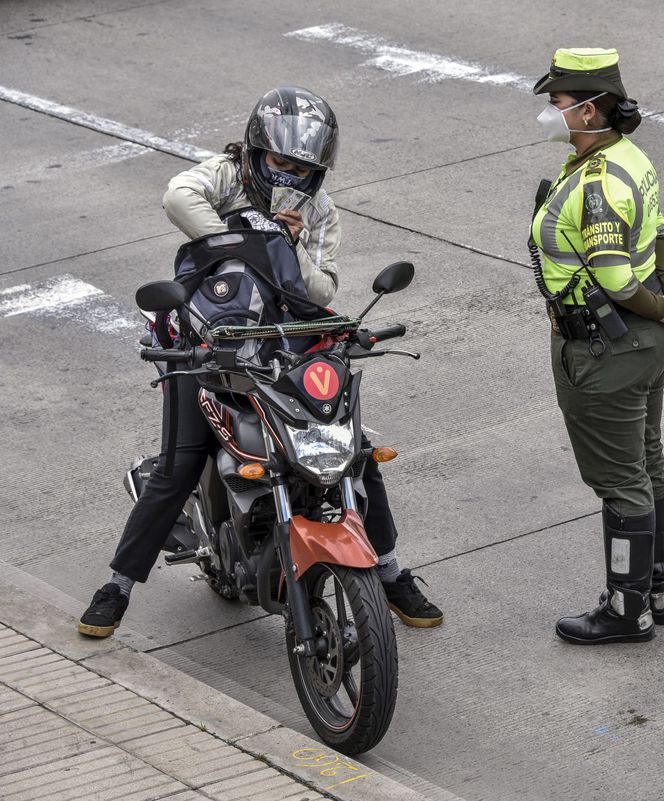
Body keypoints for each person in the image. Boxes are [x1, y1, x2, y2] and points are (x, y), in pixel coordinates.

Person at [78, 86, 442, 637]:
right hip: (205, 340)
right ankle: (118, 586)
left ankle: (389, 572)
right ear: (254, 150)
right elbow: (178, 197)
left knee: (354, 448)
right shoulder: (226, 176)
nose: (290, 176)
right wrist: (241, 239)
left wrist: (288, 244)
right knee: (179, 463)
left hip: (285, 343)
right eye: (280, 163)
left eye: (303, 169)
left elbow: (321, 289)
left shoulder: (319, 210)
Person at [529, 49, 664, 645]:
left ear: (589, 110)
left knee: (621, 479)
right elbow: (661, 229)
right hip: (645, 345)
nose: (549, 112)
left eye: (557, 102)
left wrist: (657, 304)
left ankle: (627, 610)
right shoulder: (629, 157)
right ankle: (659, 588)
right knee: (646, 458)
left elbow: (616, 279)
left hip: (606, 349)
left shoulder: (596, 186)